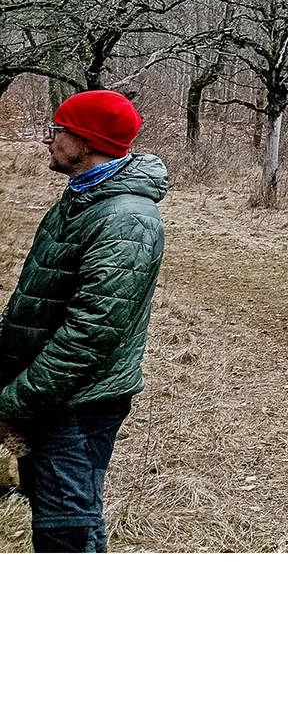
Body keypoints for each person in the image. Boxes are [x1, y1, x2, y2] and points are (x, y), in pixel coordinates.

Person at [0, 91, 166, 553]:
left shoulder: (125, 220)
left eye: (58, 130)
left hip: (79, 401)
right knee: (67, 519)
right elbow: (38, 299)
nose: (48, 139)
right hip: (50, 391)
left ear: (87, 140)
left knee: (64, 530)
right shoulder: (81, 198)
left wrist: (12, 403)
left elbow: (89, 335)